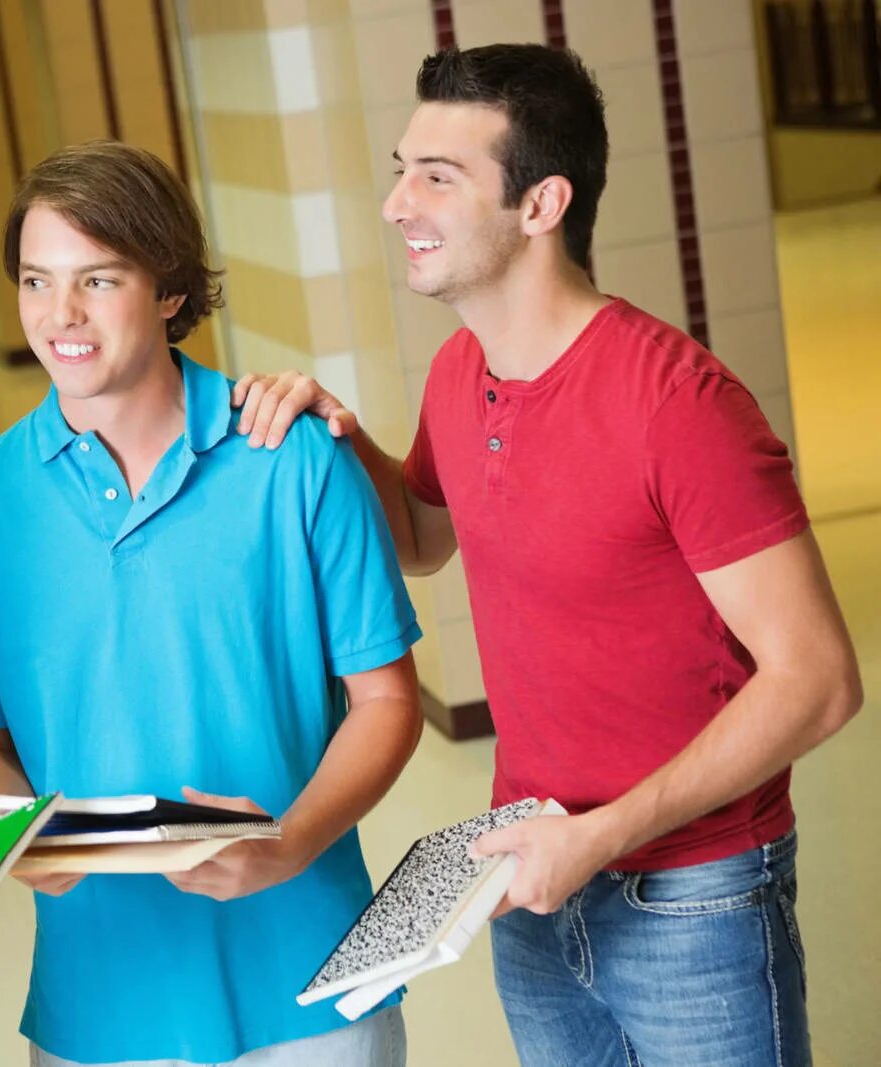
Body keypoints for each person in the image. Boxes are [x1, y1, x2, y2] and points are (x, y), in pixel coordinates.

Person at [235, 44, 862, 1067]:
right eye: (402, 168)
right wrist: (334, 434)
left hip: (692, 895)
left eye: (439, 177)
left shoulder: (680, 405)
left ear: (540, 205)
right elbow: (428, 540)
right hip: (527, 873)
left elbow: (820, 682)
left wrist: (601, 833)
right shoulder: (459, 366)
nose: (398, 203)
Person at [0, 140, 423, 1066]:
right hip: (100, 1000)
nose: (59, 315)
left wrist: (286, 842)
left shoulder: (296, 461)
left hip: (313, 984)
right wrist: (8, 832)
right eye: (36, 280)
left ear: (168, 291)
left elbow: (388, 702)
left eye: (98, 279)